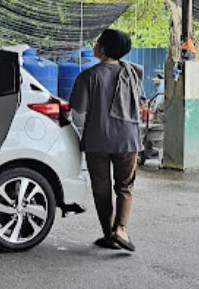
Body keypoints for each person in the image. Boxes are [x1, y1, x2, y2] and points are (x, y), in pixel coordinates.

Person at [69, 29, 144, 252]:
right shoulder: (133, 73)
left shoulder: (88, 76)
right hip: (128, 139)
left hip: (98, 140)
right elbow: (139, 103)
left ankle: (109, 234)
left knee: (101, 189)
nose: (95, 45)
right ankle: (120, 229)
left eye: (98, 42)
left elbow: (79, 110)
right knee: (125, 186)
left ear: (102, 49)